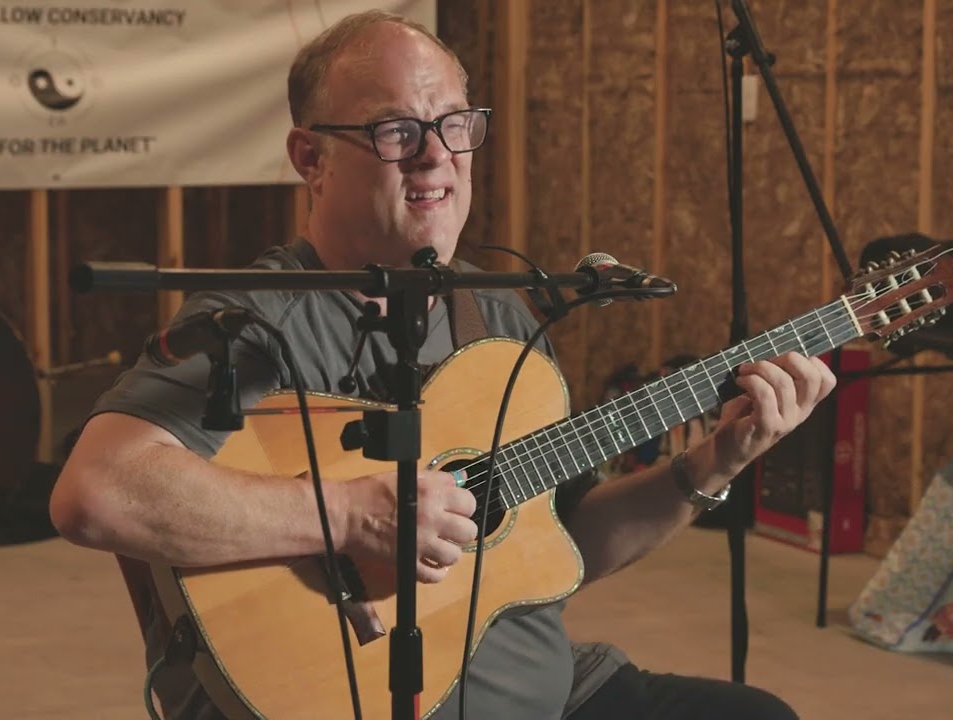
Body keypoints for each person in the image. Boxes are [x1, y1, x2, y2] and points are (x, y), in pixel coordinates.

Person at [50, 10, 837, 720]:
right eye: (396, 131)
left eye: (455, 124)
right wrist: (352, 515)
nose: (436, 157)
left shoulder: (496, 315)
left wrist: (713, 462)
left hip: (549, 691)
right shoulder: (256, 322)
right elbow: (96, 491)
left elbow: (556, 545)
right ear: (311, 157)